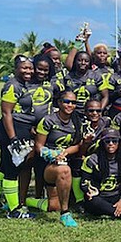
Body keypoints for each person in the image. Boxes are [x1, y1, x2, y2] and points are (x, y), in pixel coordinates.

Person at [0, 56, 38, 215]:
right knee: (13, 169)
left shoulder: (23, 84)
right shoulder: (13, 85)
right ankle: (15, 210)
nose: (28, 71)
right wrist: (13, 139)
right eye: (24, 68)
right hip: (11, 130)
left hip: (15, 129)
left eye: (30, 68)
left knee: (4, 165)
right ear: (16, 69)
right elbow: (6, 112)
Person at [31, 90, 83, 226]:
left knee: (53, 206)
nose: (70, 105)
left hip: (66, 161)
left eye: (73, 102)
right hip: (49, 165)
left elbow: (78, 145)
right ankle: (65, 214)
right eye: (67, 101)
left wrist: (64, 152)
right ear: (59, 102)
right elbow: (38, 146)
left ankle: (28, 200)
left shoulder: (77, 121)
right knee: (64, 170)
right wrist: (51, 154)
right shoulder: (48, 120)